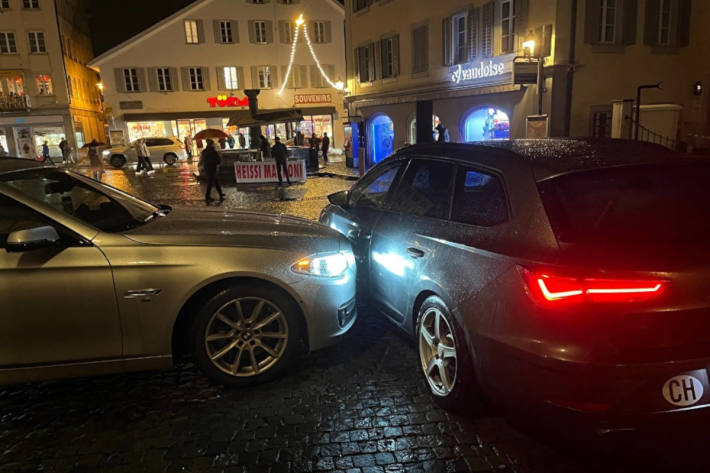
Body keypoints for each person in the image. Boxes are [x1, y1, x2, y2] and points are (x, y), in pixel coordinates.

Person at [202, 139, 224, 203]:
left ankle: (220, 194)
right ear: (211, 144)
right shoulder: (213, 151)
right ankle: (207, 196)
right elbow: (218, 161)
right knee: (211, 183)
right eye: (213, 143)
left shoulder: (204, 151)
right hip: (213, 169)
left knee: (214, 182)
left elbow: (203, 160)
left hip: (207, 169)